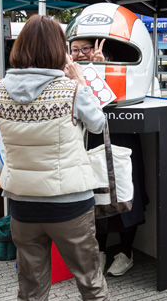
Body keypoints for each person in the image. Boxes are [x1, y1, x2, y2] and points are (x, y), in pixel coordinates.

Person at [0, 15, 108, 300]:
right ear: (59, 49)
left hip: (21, 202)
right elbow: (98, 124)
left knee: (31, 287)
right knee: (90, 281)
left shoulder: (0, 91)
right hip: (68, 202)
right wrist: (81, 82)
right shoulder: (72, 90)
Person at [70, 36, 149, 277]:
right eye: (75, 49)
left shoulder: (116, 68)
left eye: (86, 48)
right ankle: (100, 250)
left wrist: (101, 68)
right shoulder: (66, 73)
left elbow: (117, 98)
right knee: (95, 197)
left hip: (120, 139)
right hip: (87, 140)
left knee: (125, 194)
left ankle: (125, 252)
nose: (81, 53)